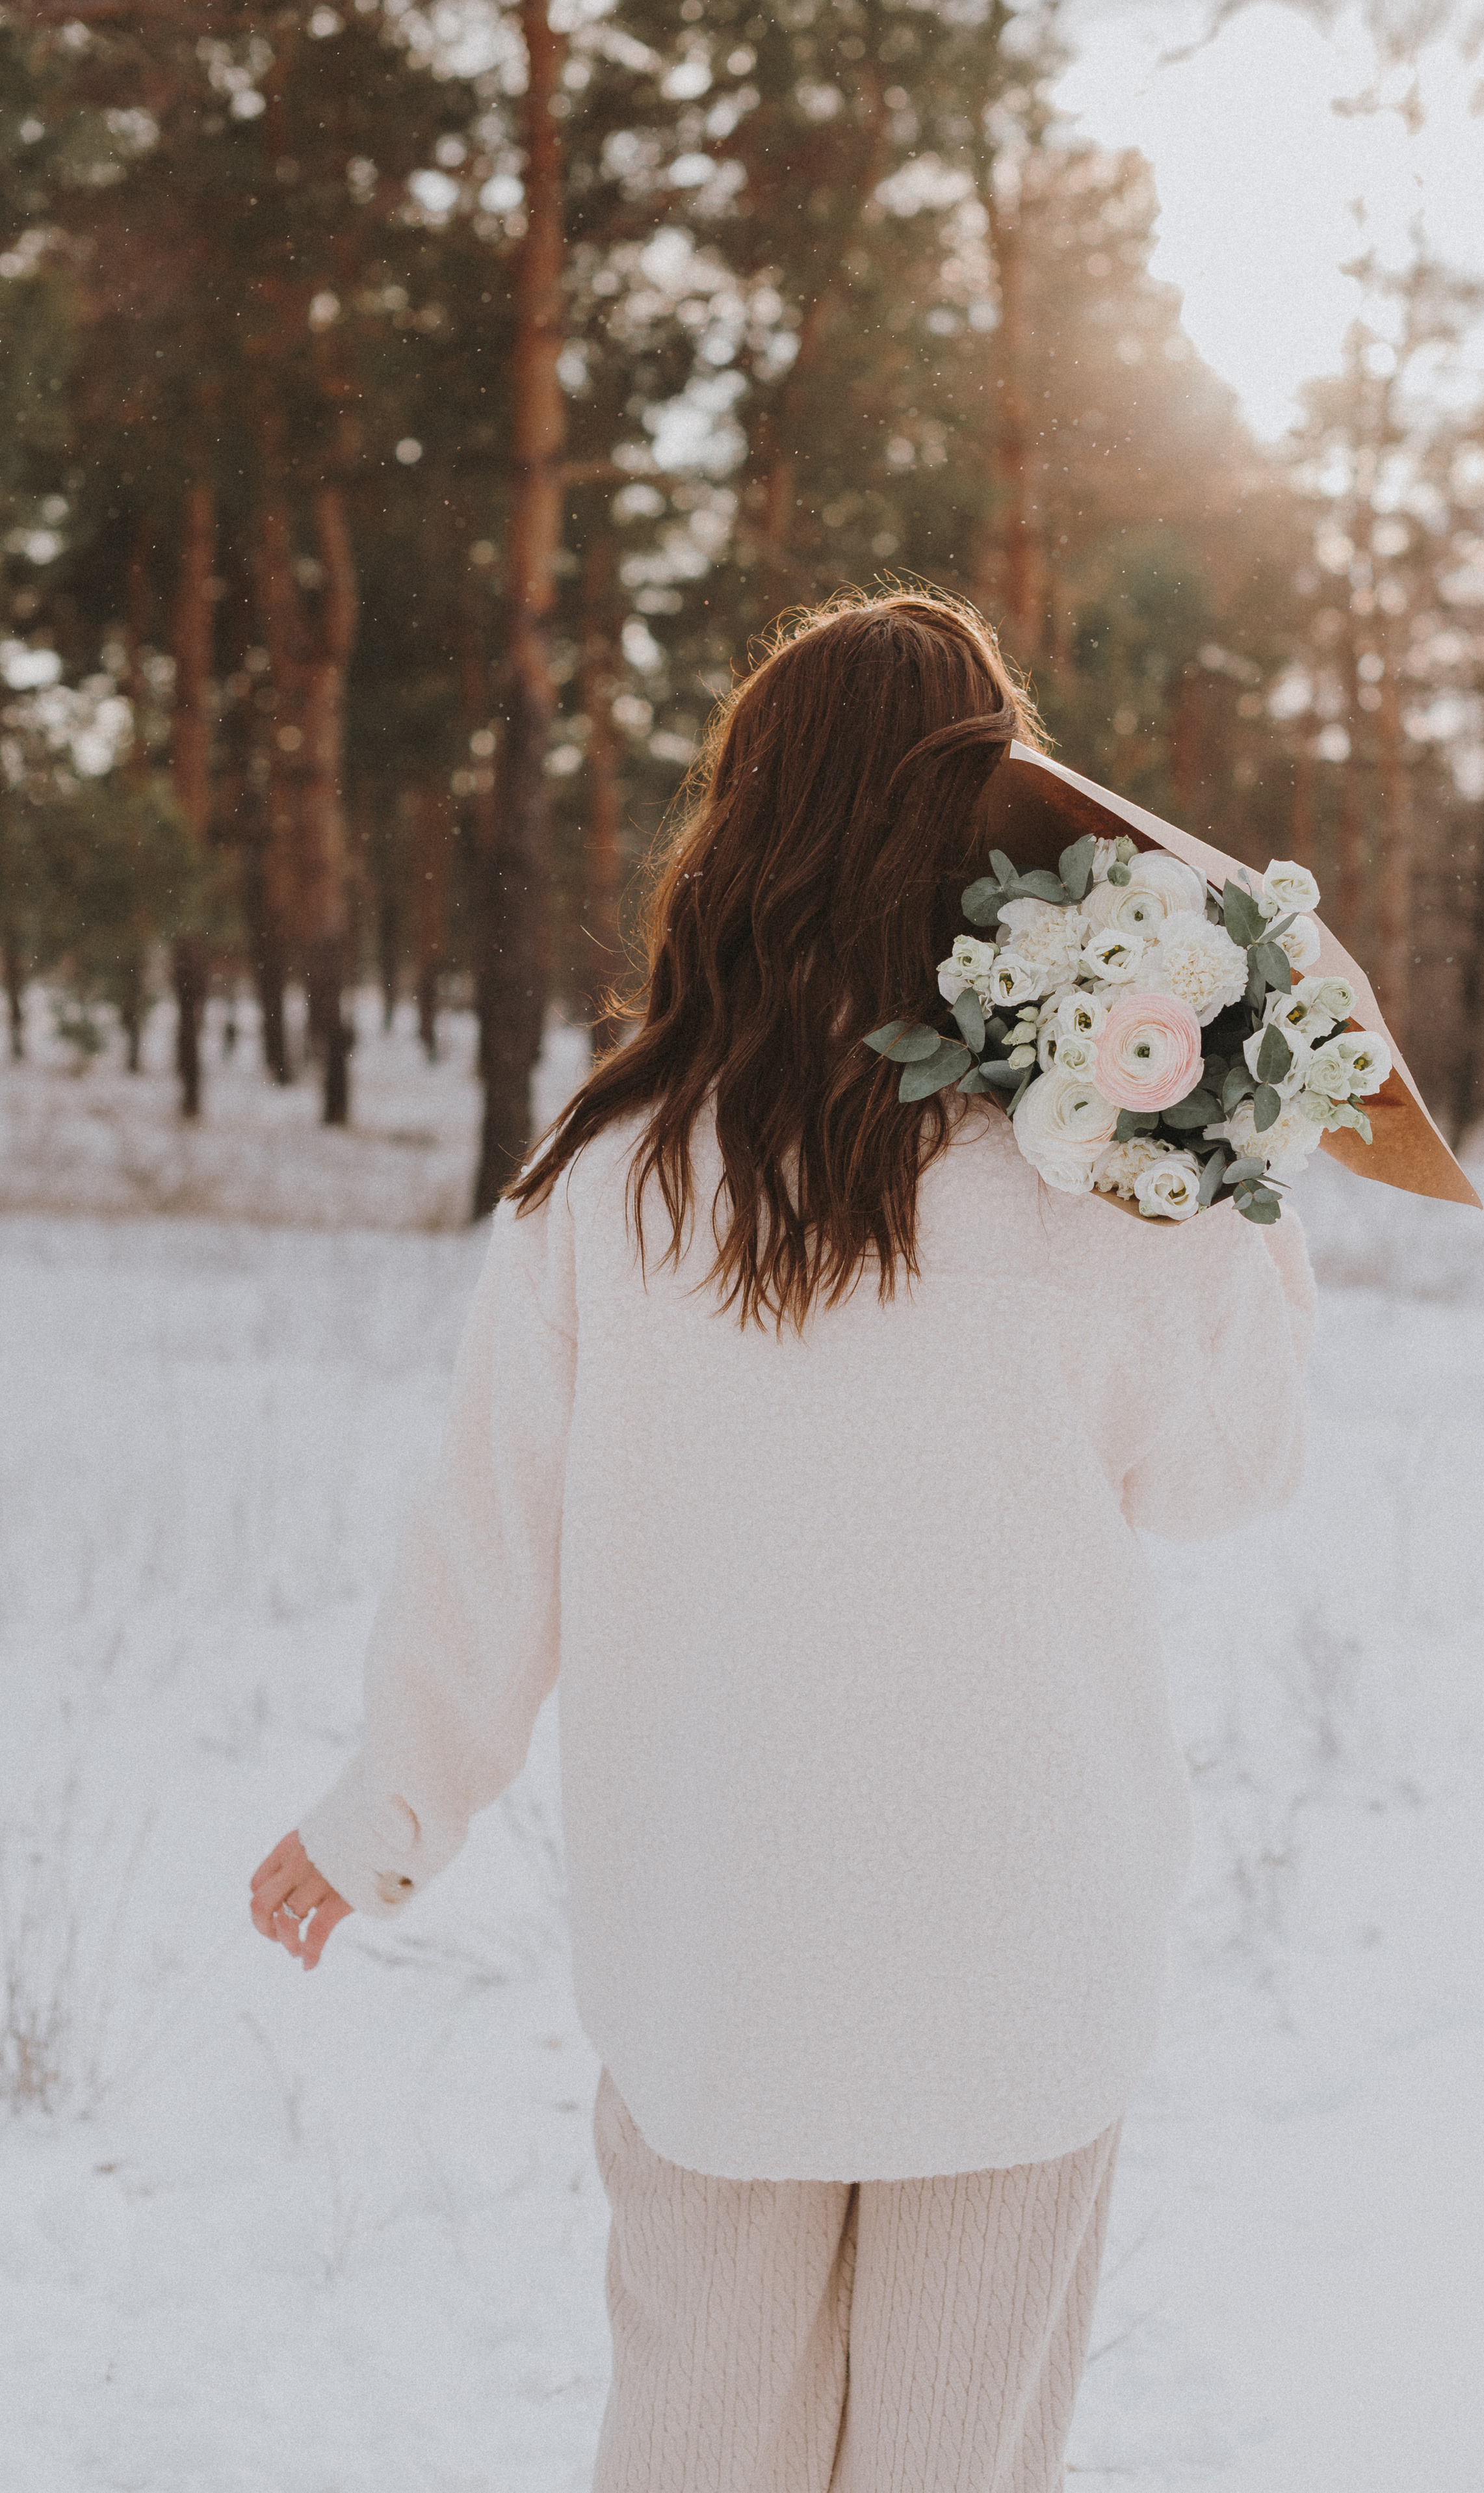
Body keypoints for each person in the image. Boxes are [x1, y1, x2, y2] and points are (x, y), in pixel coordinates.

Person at [250, 588, 1314, 2493]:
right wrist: (1234, 1170)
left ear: (741, 821)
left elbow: (495, 1545)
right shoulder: (1090, 1173)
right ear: (999, 825)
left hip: (719, 1963)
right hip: (1021, 1964)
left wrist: (380, 1817)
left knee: (693, 2458)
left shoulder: (613, 1172)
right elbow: (1222, 1472)